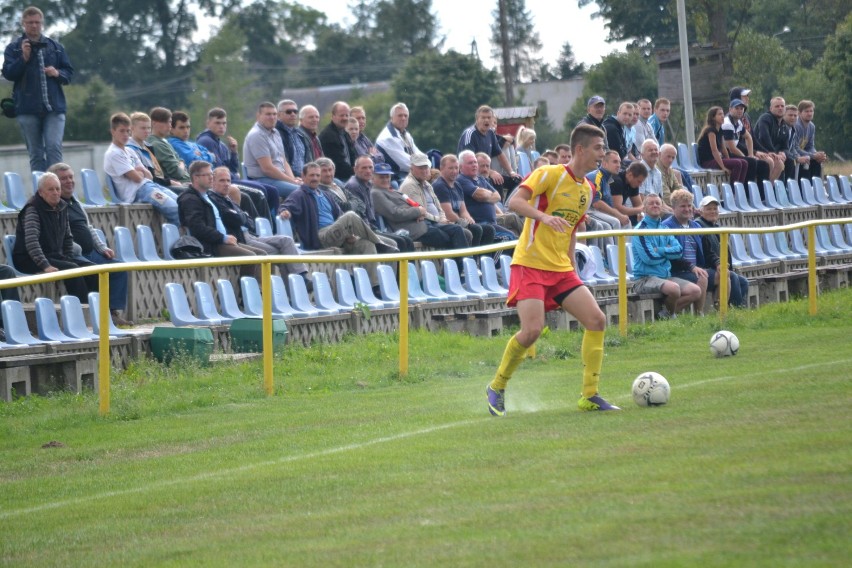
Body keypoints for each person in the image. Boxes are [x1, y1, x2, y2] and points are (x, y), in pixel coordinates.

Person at [485, 123, 618, 416]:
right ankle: (497, 386)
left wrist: (572, 267)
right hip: (530, 263)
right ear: (580, 149)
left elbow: (571, 230)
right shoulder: (549, 174)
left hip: (560, 269)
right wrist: (543, 217)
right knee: (532, 331)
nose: (602, 154)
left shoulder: (587, 188)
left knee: (596, 320)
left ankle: (590, 395)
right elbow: (514, 202)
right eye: (598, 148)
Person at [48, 163, 132, 325]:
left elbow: (89, 228)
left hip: (91, 252)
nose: (69, 181)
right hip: (74, 255)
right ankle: (96, 314)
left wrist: (102, 247)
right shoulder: (55, 205)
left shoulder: (75, 201)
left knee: (119, 268)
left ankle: (112, 312)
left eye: (71, 177)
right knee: (95, 272)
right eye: (63, 179)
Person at [279, 162, 385, 289]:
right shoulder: (299, 194)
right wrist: (284, 212)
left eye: (317, 175)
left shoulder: (326, 195)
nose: (315, 178)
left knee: (367, 244)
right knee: (350, 215)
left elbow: (340, 217)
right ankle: (380, 242)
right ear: (303, 176)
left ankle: (375, 287)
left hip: (336, 234)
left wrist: (349, 235)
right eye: (311, 175)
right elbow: (286, 206)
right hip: (320, 237)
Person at [208, 166, 310, 286]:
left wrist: (242, 216)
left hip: (250, 235)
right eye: (222, 180)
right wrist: (242, 216)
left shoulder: (227, 199)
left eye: (228, 180)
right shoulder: (214, 199)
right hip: (240, 239)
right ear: (213, 183)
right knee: (281, 254)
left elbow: (250, 222)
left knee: (286, 240)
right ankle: (292, 291)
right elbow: (236, 219)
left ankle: (302, 277)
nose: (226, 184)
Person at [2, 6, 73, 173]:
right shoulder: (13, 48)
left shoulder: (56, 47)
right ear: (23, 24)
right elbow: (9, 74)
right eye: (30, 23)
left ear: (42, 24)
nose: (34, 26)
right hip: (27, 109)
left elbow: (69, 72)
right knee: (35, 153)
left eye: (37, 22)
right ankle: (41, 194)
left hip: (54, 108)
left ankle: (58, 194)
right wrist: (24, 58)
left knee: (54, 148)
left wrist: (57, 73)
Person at [12, 172, 98, 304]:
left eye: (57, 189)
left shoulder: (62, 206)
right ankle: (83, 312)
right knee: (72, 270)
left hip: (54, 256)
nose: (55, 192)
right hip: (28, 259)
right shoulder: (33, 209)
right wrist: (45, 265)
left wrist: (68, 257)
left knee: (93, 269)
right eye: (50, 189)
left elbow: (68, 237)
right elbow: (31, 242)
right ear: (41, 192)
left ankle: (98, 311)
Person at [177, 161, 265, 279]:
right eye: (207, 175)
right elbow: (197, 228)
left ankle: (266, 292)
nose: (211, 178)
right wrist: (223, 237)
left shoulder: (208, 196)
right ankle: (247, 294)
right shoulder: (190, 199)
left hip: (222, 241)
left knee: (263, 255)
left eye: (211, 174)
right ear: (196, 178)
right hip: (210, 244)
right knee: (251, 257)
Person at [631, 194, 702, 319]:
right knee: (674, 289)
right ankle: (668, 316)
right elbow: (649, 258)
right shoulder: (640, 230)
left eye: (658, 203)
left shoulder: (664, 228)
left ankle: (665, 315)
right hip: (644, 279)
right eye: (651, 203)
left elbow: (679, 251)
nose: (655, 205)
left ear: (662, 207)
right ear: (644, 208)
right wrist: (668, 254)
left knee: (696, 291)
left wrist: (659, 250)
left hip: (665, 277)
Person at [104, 112, 180, 225]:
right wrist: (140, 172)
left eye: (127, 131)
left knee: (181, 203)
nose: (125, 135)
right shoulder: (114, 153)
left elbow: (148, 175)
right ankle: (185, 239)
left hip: (150, 186)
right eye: (121, 131)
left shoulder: (129, 151)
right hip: (138, 192)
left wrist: (141, 172)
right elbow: (137, 178)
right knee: (174, 208)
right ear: (113, 131)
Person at [391, 152, 469, 258]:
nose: (424, 170)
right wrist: (439, 220)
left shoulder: (427, 184)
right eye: (420, 167)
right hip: (421, 226)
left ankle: (462, 266)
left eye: (426, 167)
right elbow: (421, 211)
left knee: (464, 232)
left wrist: (442, 218)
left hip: (434, 223)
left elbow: (439, 207)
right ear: (412, 168)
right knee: (455, 232)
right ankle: (462, 267)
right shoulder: (409, 185)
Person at [342, 155, 415, 252]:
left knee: (407, 240)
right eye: (364, 168)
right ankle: (397, 267)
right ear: (355, 169)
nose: (368, 171)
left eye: (370, 167)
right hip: (364, 231)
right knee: (399, 242)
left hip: (372, 228)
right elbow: (359, 218)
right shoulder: (354, 186)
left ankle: (408, 268)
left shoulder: (368, 184)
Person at [694, 195, 749, 308]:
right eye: (708, 209)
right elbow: (706, 252)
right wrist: (718, 263)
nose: (712, 211)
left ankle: (737, 310)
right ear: (700, 211)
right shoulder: (698, 225)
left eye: (715, 209)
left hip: (718, 267)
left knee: (743, 282)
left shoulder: (717, 228)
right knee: (732, 276)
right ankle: (731, 311)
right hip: (706, 268)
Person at [661, 189, 709, 315]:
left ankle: (725, 313)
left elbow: (706, 250)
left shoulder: (696, 226)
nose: (687, 209)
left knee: (728, 276)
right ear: (673, 208)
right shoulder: (667, 226)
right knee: (702, 277)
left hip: (693, 269)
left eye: (689, 206)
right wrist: (692, 267)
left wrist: (718, 263)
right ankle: (698, 315)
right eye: (683, 206)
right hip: (676, 270)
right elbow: (672, 255)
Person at [431, 154, 496, 248]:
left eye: (456, 168)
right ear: (442, 168)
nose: (454, 171)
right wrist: (465, 223)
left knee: (488, 230)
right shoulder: (440, 186)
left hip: (459, 221)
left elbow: (463, 210)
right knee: (475, 230)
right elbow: (448, 213)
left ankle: (481, 259)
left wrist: (470, 220)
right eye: (450, 168)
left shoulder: (457, 185)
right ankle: (470, 260)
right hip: (447, 223)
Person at [721, 99, 777, 187]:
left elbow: (748, 137)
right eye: (737, 108)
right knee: (750, 162)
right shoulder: (727, 123)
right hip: (726, 153)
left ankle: (761, 195)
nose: (740, 111)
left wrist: (751, 154)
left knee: (764, 165)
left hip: (733, 152)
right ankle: (746, 192)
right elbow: (731, 148)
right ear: (730, 109)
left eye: (742, 109)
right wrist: (746, 157)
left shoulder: (738, 122)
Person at [697, 106, 748, 185]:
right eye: (719, 114)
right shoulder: (711, 131)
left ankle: (739, 188)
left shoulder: (720, 130)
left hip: (716, 160)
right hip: (708, 161)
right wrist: (723, 167)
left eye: (723, 114)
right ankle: (733, 191)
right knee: (738, 163)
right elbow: (714, 150)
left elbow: (724, 149)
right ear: (713, 117)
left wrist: (728, 160)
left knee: (744, 163)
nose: (722, 116)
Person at [752, 97, 795, 181]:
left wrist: (783, 153)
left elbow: (785, 147)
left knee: (790, 160)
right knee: (778, 162)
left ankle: (785, 188)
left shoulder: (784, 126)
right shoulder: (765, 118)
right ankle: (767, 190)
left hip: (773, 154)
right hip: (760, 151)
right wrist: (775, 153)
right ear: (771, 108)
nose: (780, 108)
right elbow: (764, 138)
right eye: (777, 106)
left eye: (782, 106)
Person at [376, 102, 421, 180]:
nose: (403, 118)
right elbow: (406, 164)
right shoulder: (388, 137)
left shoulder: (405, 134)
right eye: (400, 115)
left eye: (405, 116)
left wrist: (426, 164)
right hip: (394, 178)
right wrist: (425, 167)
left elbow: (418, 154)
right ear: (391, 118)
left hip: (406, 175)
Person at [146, 107, 191, 183]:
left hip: (186, 181)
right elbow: (177, 173)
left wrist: (181, 163)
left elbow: (180, 160)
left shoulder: (164, 141)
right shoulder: (157, 144)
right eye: (165, 122)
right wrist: (181, 163)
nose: (169, 125)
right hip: (178, 185)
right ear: (153, 123)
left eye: (170, 122)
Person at [319, 101, 357, 181]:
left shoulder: (345, 134)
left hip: (349, 175)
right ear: (333, 116)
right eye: (342, 115)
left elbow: (353, 156)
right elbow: (338, 165)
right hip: (337, 177)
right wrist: (357, 171)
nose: (345, 118)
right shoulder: (329, 136)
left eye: (347, 115)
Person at [794, 100, 827, 180]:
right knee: (807, 161)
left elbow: (810, 146)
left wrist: (817, 155)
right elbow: (795, 147)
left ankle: (814, 188)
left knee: (817, 162)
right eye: (806, 111)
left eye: (811, 111)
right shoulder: (796, 125)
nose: (809, 113)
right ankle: (803, 189)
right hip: (795, 155)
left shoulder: (811, 126)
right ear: (799, 113)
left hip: (805, 154)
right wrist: (813, 155)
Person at [610, 161, 647, 225]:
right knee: (625, 221)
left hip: (617, 212)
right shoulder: (617, 181)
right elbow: (618, 208)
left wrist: (640, 213)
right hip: (606, 210)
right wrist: (639, 210)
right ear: (630, 175)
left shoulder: (633, 183)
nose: (640, 185)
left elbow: (639, 205)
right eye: (639, 181)